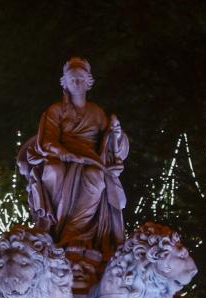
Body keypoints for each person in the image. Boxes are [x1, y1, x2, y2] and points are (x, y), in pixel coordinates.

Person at [18, 57, 130, 260]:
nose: (76, 83)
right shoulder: (55, 110)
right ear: (65, 83)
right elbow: (47, 141)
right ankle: (53, 228)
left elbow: (112, 147)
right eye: (72, 79)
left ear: (89, 82)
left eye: (80, 78)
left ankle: (74, 234)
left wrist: (117, 134)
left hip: (90, 160)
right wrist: (65, 153)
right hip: (61, 157)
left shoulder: (97, 113)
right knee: (53, 171)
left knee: (96, 177)